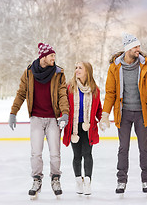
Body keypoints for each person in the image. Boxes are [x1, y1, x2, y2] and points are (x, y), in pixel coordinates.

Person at [99, 33, 147, 194]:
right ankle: (121, 181)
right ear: (128, 49)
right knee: (123, 148)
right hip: (123, 114)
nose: (139, 49)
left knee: (144, 148)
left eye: (139, 46)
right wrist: (105, 114)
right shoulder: (115, 68)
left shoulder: (146, 65)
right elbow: (110, 93)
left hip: (142, 113)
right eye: (136, 47)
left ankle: (146, 180)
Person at [8, 43, 69, 199]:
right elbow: (21, 93)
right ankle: (36, 180)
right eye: (51, 56)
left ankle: (56, 179)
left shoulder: (58, 73)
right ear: (43, 57)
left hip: (53, 119)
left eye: (54, 56)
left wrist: (65, 113)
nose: (54, 58)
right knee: (36, 153)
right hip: (36, 118)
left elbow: (62, 94)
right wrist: (13, 112)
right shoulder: (29, 73)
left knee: (55, 153)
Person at [62, 61, 102, 196]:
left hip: (88, 127)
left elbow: (99, 110)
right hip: (73, 128)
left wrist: (103, 119)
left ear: (87, 71)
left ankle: (88, 183)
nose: (77, 70)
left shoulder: (95, 89)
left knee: (87, 154)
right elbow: (64, 106)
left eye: (80, 68)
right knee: (77, 155)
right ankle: (79, 181)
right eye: (76, 68)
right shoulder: (69, 87)